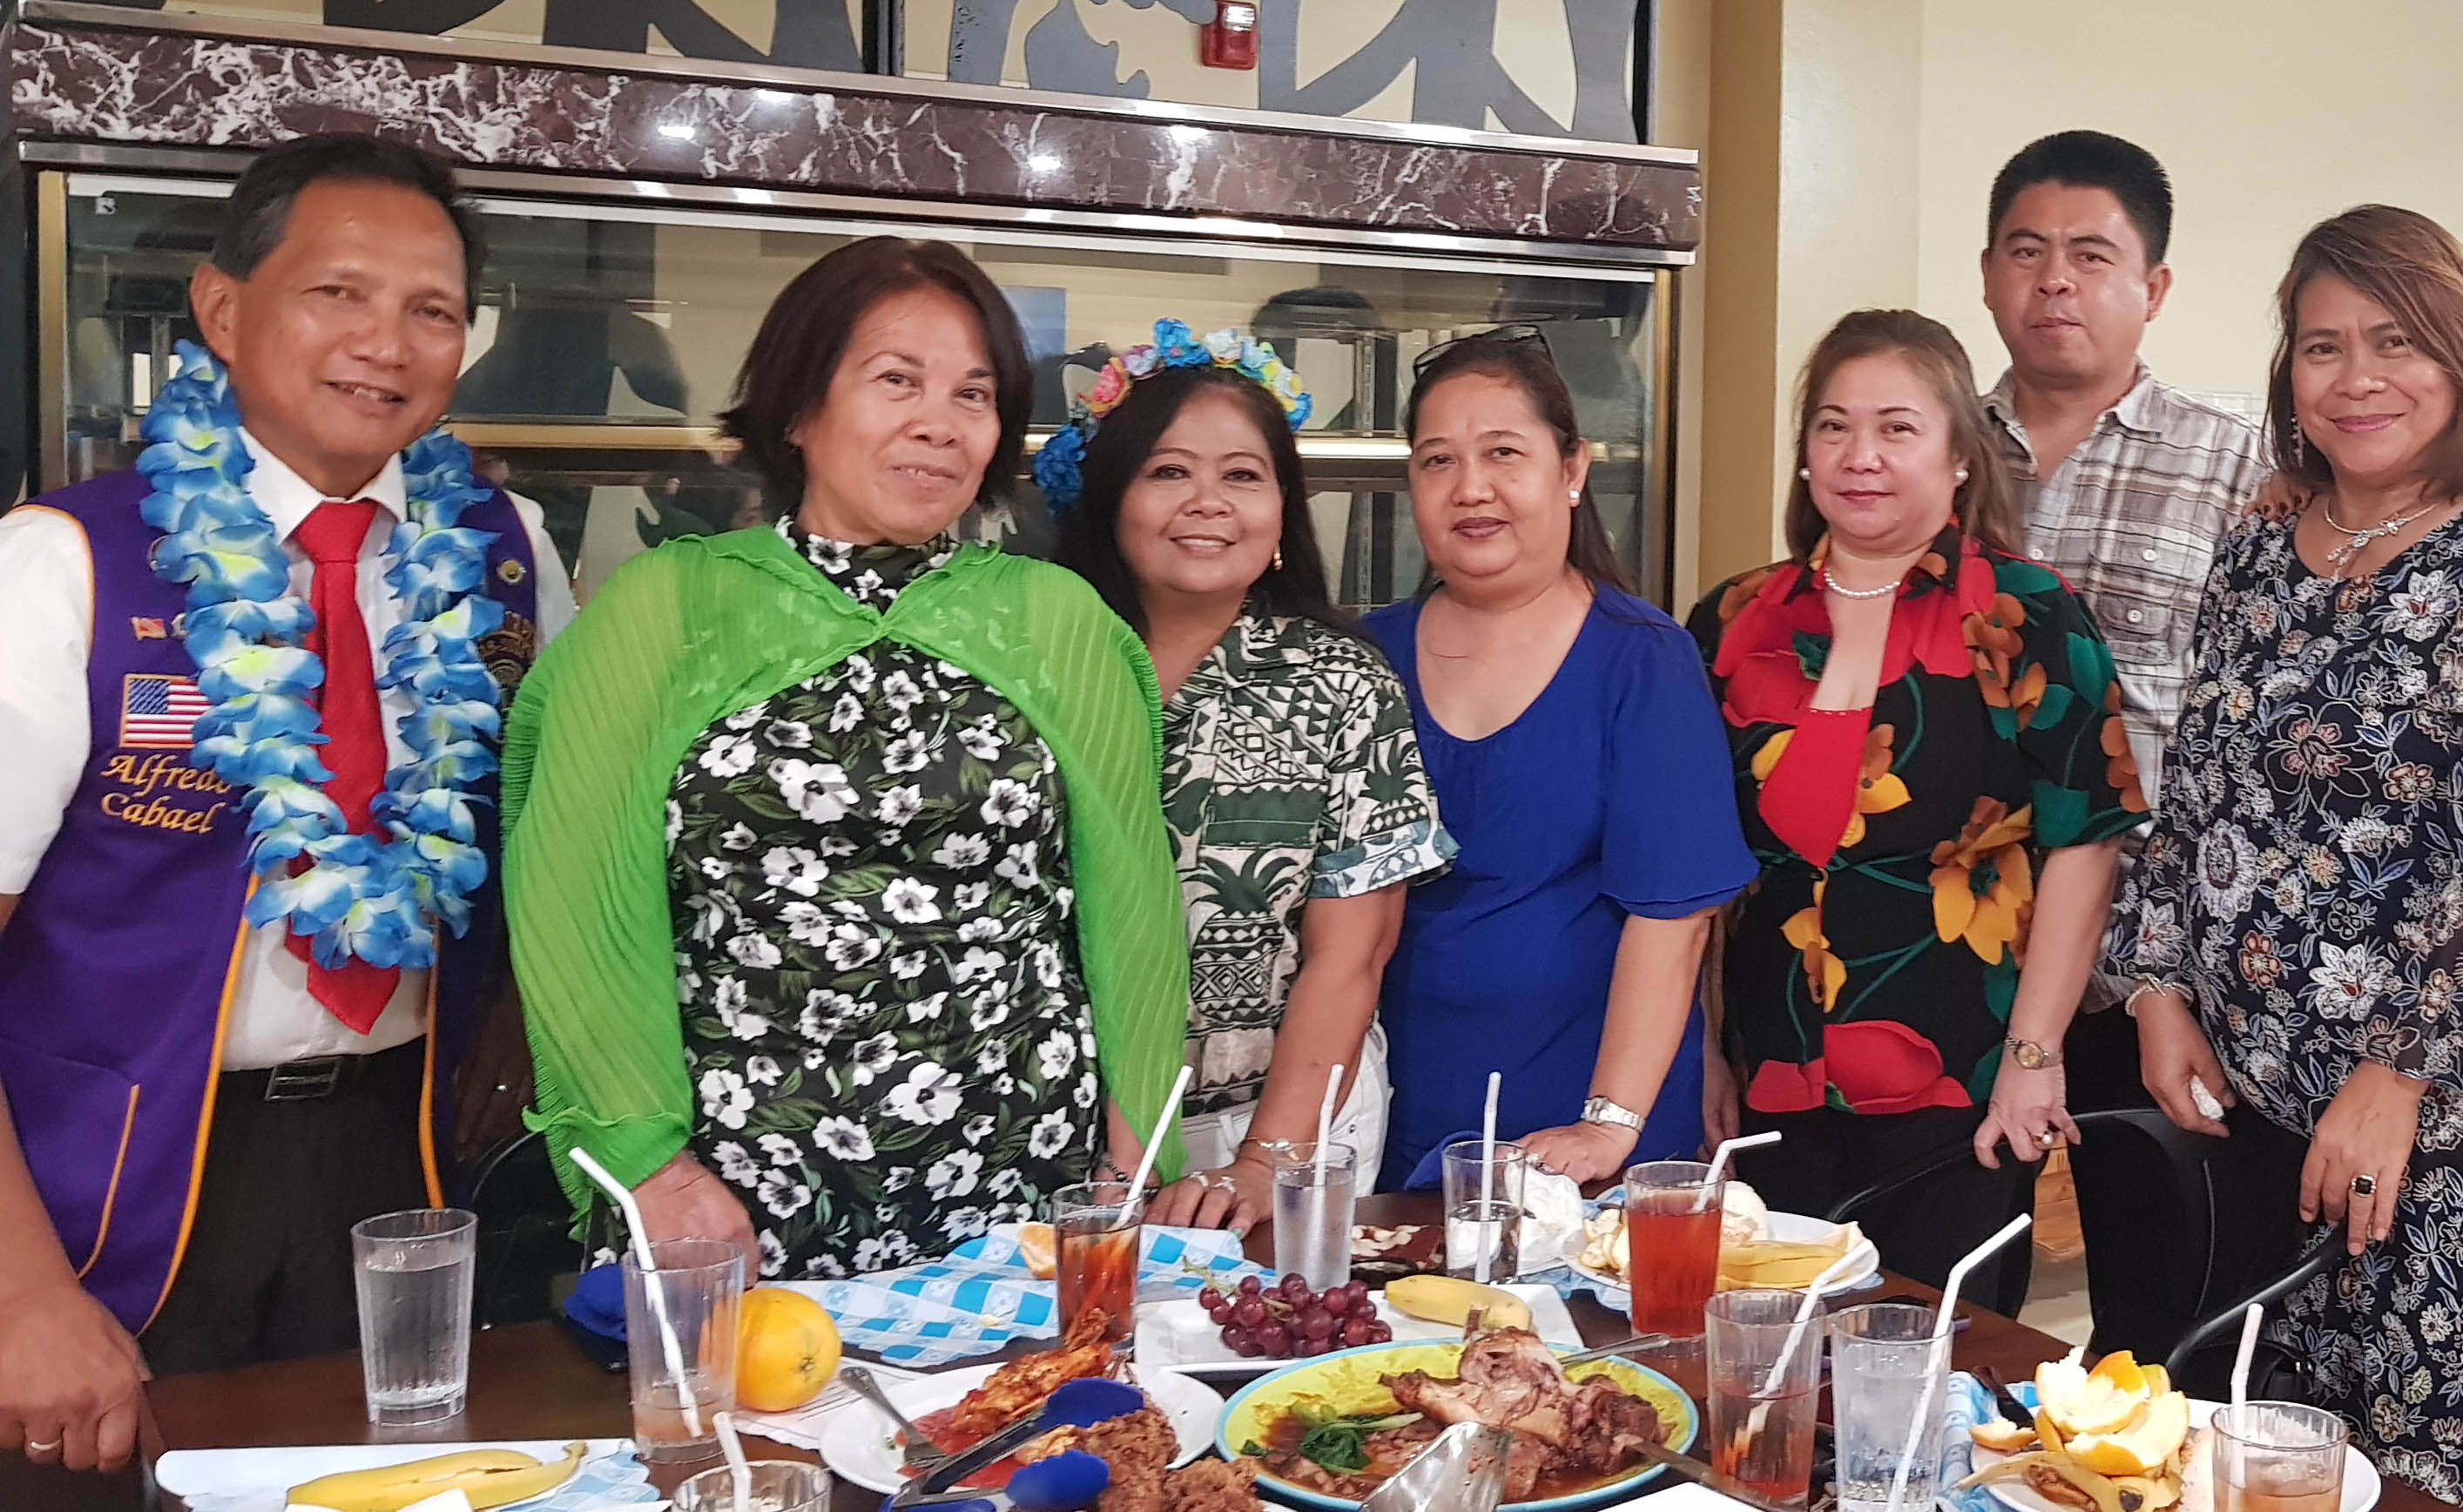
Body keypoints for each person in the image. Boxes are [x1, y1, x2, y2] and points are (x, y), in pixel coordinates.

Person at [0, 135, 571, 1474]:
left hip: (404, 1162)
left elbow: (551, 835)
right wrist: (20, 1292)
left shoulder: (506, 556)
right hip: (111, 1180)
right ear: (222, 307)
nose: (387, 344)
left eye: (433, 311)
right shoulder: (65, 567)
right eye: (338, 293)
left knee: (396, 1487)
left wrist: (524, 1023)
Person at [506, 236, 1188, 1278]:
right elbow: (571, 892)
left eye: (973, 394)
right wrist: (648, 1166)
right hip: (728, 1201)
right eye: (896, 380)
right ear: (797, 408)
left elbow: (1129, 904)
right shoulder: (670, 607)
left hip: (1027, 1186)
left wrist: (1133, 1161)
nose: (939, 422)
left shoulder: (1058, 620)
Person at [2112, 209, 2463, 1505]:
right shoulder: (2257, 553)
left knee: (2409, 1472)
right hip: (2245, 1109)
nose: (2357, 377)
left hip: (2428, 1136)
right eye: (2322, 346)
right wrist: (2155, 988)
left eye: (2396, 342)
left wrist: (2399, 1077)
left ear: (2462, 358)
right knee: (2242, 1459)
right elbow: (2192, 797)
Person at [1687, 310, 2142, 1313]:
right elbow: (1702, 864)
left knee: (1938, 1356)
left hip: (1961, 1082)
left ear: (1959, 455)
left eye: (1897, 428)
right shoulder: (1734, 619)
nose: (1862, 455)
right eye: (1834, 427)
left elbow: (2085, 845)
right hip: (1771, 1072)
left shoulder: (2024, 614)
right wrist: (1708, 1047)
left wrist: (2034, 1057)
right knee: (1766, 1353)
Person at [1045, 323, 1454, 1227]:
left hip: (1279, 1121)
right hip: (1059, 1132)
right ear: (1109, 498)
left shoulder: (1342, 680)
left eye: (1242, 475)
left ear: (1281, 510)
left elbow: (1352, 952)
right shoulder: (1040, 668)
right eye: (1168, 471)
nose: (1208, 503)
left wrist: (1267, 1160)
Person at [1364, 328, 1753, 1190]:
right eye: (1438, 460)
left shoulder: (1642, 657)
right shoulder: (1366, 656)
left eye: (1504, 453)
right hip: (1393, 1107)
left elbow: (1674, 918)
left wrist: (1606, 1124)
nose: (1471, 488)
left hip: (1587, 1121)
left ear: (1571, 469)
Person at [1974, 131, 2270, 1117]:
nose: (2055, 280)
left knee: (2152, 1213)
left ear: (2155, 288)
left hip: (2155, 969)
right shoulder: (1930, 455)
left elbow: (2249, 741)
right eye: (2027, 251)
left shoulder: (2244, 468)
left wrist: (2161, 969)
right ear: (1988, 275)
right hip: (1960, 940)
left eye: (2092, 255)